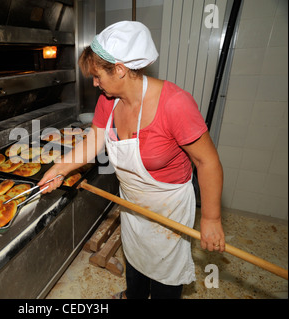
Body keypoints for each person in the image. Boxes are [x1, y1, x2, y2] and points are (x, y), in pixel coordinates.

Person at [38, 21, 224, 299]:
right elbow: (93, 142)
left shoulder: (175, 104)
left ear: (121, 70)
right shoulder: (109, 100)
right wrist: (59, 169)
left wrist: (211, 217)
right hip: (131, 198)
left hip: (168, 204)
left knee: (165, 271)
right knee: (136, 255)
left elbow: (208, 162)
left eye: (98, 75)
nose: (95, 82)